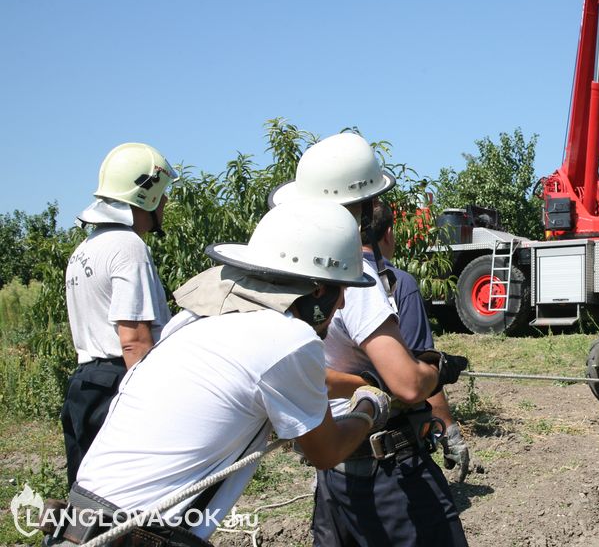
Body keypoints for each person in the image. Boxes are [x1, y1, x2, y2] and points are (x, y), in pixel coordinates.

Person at [58, 200, 392, 546]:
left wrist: (359, 384)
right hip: (136, 535)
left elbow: (283, 379)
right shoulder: (291, 339)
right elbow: (325, 451)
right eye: (342, 292)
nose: (340, 306)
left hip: (77, 519)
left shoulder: (195, 320)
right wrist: (370, 406)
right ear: (319, 290)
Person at [270, 132, 469, 547]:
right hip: (387, 473)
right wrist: (437, 369)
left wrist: (360, 386)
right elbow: (408, 384)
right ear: (363, 212)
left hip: (334, 464)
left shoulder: (294, 276)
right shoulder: (358, 281)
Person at [61, 142, 177, 487]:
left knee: (86, 500)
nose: (167, 202)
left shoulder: (86, 247)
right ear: (148, 195)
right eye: (163, 193)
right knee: (123, 499)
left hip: (85, 385)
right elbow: (134, 340)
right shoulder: (129, 247)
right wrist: (154, 406)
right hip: (117, 383)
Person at [362, 201, 471, 481]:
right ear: (388, 234)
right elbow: (418, 363)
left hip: (335, 440)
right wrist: (450, 432)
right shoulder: (399, 284)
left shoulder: (324, 287)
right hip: (392, 447)